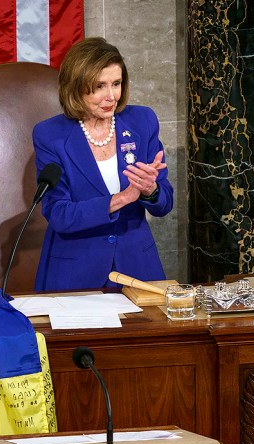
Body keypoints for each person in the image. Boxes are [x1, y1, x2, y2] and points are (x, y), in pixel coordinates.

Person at [32, 37, 173, 291]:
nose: (111, 96)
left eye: (116, 84)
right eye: (99, 86)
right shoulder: (50, 135)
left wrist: (152, 191)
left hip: (137, 269)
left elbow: (165, 205)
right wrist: (121, 198)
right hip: (75, 273)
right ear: (76, 87)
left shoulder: (143, 121)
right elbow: (59, 214)